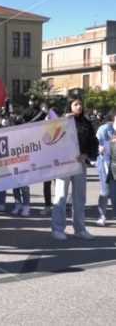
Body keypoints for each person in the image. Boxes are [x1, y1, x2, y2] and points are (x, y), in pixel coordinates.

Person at [51, 93, 98, 241]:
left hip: (80, 164)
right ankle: (57, 228)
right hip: (63, 165)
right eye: (75, 104)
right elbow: (51, 139)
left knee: (79, 198)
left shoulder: (86, 122)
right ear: (70, 105)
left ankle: (80, 228)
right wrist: (63, 121)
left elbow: (93, 142)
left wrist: (86, 155)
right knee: (61, 196)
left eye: (80, 104)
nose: (79, 107)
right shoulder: (61, 121)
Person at [95, 108, 116, 226]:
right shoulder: (104, 129)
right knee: (106, 191)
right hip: (105, 163)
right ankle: (102, 215)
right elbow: (96, 143)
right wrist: (99, 148)